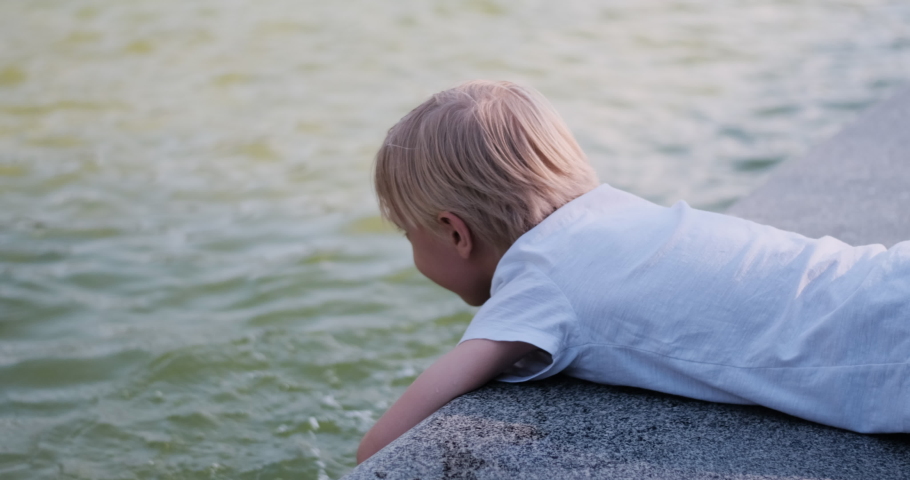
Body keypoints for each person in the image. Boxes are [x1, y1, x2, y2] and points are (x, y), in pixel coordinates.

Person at [356, 80, 910, 463]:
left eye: (410, 234)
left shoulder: (537, 285)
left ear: (456, 233)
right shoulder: (618, 211)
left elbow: (380, 444)